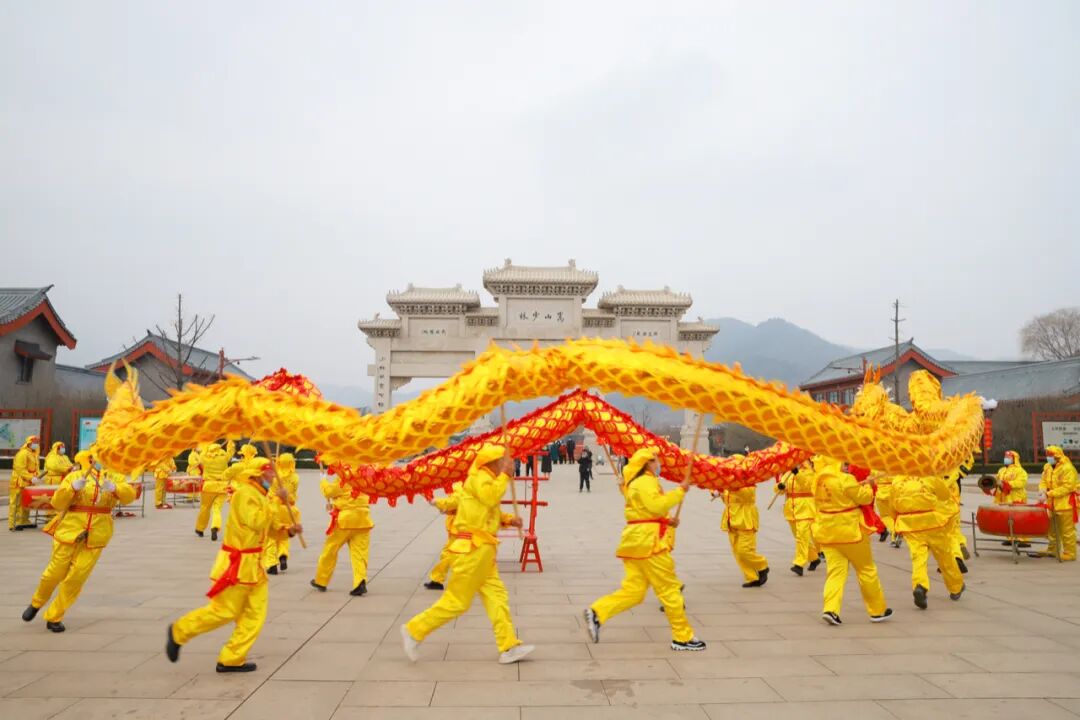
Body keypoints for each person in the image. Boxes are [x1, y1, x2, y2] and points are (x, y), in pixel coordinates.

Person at [402, 444, 534, 664]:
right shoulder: (481, 478)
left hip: (482, 550)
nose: (504, 463)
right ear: (491, 462)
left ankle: (508, 645)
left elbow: (486, 511)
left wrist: (509, 520)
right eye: (501, 460)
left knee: (497, 597)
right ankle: (414, 630)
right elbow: (490, 498)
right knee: (457, 602)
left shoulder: (483, 480)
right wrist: (505, 476)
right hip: (473, 550)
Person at [167, 457, 299, 672]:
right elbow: (256, 521)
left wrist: (289, 530)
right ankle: (179, 631)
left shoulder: (261, 494)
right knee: (224, 611)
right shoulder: (246, 494)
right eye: (270, 472)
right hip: (237, 566)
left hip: (254, 567)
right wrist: (277, 502)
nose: (274, 476)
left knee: (255, 614)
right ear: (258, 474)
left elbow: (268, 529)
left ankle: (232, 657)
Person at [584, 447, 704, 651]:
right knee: (669, 589)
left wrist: (667, 520)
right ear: (647, 463)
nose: (659, 464)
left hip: (636, 542)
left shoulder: (636, 483)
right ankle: (682, 637)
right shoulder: (645, 482)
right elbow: (656, 505)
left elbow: (646, 510)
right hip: (649, 543)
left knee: (635, 591)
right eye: (655, 460)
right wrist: (680, 490)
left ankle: (597, 612)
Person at [22, 448, 137, 632]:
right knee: (53, 573)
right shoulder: (74, 476)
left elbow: (130, 495)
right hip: (70, 531)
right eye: (95, 457)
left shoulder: (115, 476)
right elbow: (58, 504)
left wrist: (115, 489)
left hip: (97, 533)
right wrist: (71, 488)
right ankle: (37, 602)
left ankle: (55, 615)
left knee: (76, 578)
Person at [810, 457, 891, 625]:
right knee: (866, 569)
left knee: (835, 573)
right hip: (850, 532)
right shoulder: (846, 479)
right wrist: (868, 484)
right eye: (845, 463)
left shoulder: (817, 480)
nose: (847, 466)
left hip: (827, 532)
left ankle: (830, 609)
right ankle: (877, 610)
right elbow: (865, 498)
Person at [892, 474, 965, 609]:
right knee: (944, 556)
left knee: (918, 559)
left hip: (910, 525)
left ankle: (920, 585)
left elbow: (893, 505)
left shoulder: (898, 481)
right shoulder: (930, 477)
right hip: (932, 523)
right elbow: (944, 495)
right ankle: (955, 587)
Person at [311, 467, 373, 595]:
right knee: (360, 554)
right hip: (363, 519)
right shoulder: (365, 477)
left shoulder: (344, 477)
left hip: (345, 520)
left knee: (330, 549)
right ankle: (360, 581)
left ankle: (321, 580)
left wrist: (323, 481)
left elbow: (329, 492)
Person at [719, 476, 769, 588]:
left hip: (745, 519)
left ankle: (762, 564)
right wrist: (720, 493)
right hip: (731, 519)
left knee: (744, 550)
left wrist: (731, 485)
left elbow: (746, 495)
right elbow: (728, 500)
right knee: (737, 552)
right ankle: (752, 577)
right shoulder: (729, 482)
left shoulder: (749, 481)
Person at [777, 463, 821, 576]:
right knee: (799, 536)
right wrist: (780, 487)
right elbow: (781, 490)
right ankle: (814, 558)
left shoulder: (810, 472)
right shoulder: (788, 473)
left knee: (802, 535)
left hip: (805, 506)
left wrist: (797, 473)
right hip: (791, 508)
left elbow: (808, 485)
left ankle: (799, 564)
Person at [264, 453, 301, 575]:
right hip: (288, 509)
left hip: (275, 508)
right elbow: (293, 495)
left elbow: (269, 491)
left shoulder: (274, 476)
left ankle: (272, 564)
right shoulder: (295, 477)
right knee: (285, 535)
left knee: (271, 538)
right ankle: (283, 555)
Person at [425, 480, 464, 590]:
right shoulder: (466, 479)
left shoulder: (460, 482)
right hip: (463, 523)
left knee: (449, 552)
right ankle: (437, 579)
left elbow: (456, 501)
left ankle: (438, 579)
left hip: (462, 524)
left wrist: (436, 501)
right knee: (449, 552)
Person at [1040, 445, 1077, 561]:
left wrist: (1049, 494)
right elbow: (1043, 481)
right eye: (1047, 455)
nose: (1048, 458)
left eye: (1050, 455)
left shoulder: (1067, 468)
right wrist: (1042, 490)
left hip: (1066, 504)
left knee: (1067, 531)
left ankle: (1070, 553)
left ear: (1057, 456)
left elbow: (1067, 487)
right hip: (1052, 504)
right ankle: (1052, 550)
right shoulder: (1047, 467)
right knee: (1052, 530)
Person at [195, 440, 235, 541]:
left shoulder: (204, 457)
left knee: (205, 508)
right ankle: (215, 527)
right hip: (222, 486)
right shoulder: (224, 456)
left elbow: (201, 451)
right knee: (217, 509)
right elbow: (231, 451)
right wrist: (230, 440)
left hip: (208, 486)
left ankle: (200, 528)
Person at [994, 451, 1030, 547]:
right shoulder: (1001, 470)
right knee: (1007, 520)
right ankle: (1011, 538)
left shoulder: (1020, 471)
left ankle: (1022, 539)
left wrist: (1007, 485)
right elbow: (996, 481)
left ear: (1014, 459)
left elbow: (1021, 483)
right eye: (1005, 457)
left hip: (1016, 498)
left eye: (1009, 457)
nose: (1006, 459)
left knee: (1019, 519)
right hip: (1004, 498)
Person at [9, 435, 41, 531]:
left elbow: (36, 467)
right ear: (29, 443)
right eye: (35, 442)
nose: (36, 444)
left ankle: (24, 521)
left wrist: (36, 476)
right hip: (19, 481)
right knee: (16, 502)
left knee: (26, 502)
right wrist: (30, 477)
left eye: (37, 442)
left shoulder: (33, 454)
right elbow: (20, 469)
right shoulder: (23, 453)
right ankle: (14, 523)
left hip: (28, 482)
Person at [874, 474, 899, 545]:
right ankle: (896, 533)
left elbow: (872, 480)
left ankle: (894, 533)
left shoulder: (875, 467)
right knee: (895, 515)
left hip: (880, 493)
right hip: (892, 492)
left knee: (885, 516)